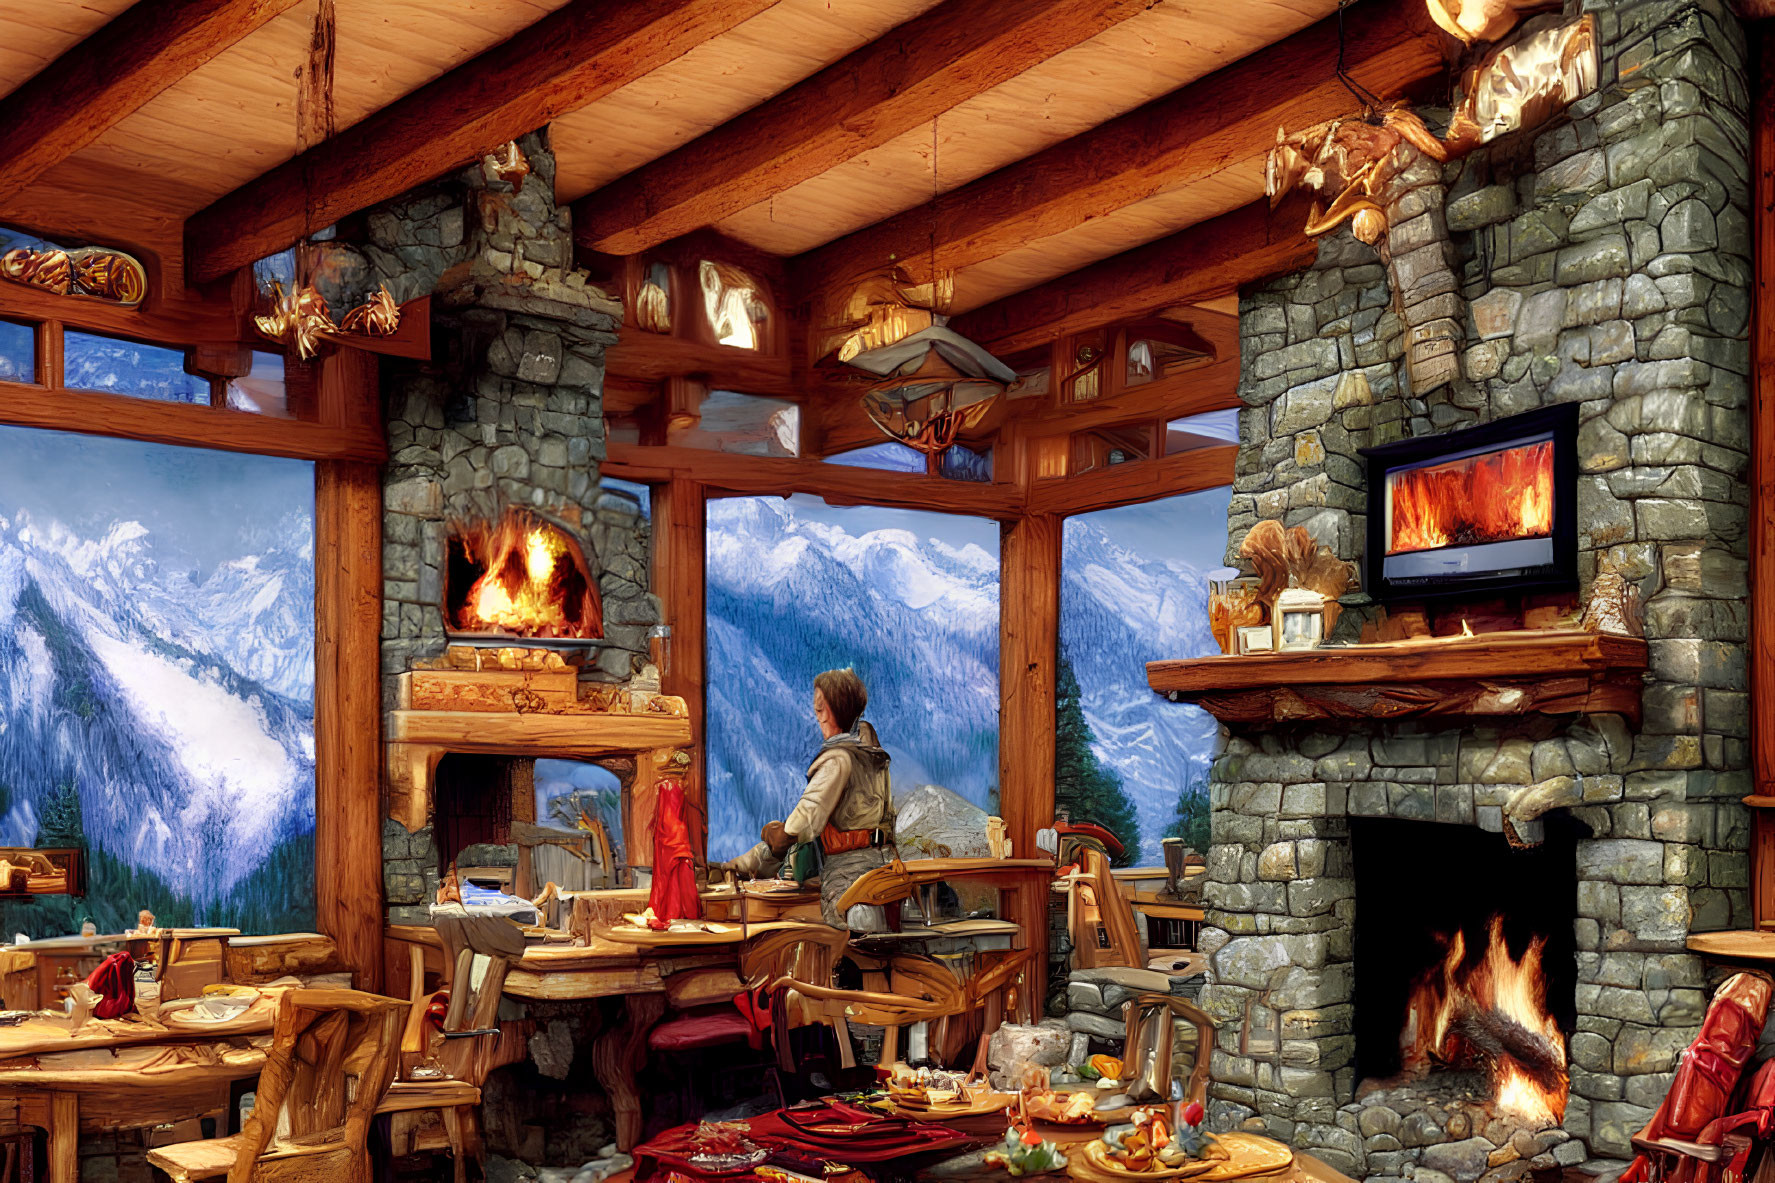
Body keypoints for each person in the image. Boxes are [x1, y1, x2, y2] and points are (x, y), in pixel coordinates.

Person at [726, 668, 894, 927]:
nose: (818, 718)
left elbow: (801, 824)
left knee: (846, 944)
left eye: (820, 709)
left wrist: (772, 835)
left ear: (832, 710)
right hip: (883, 866)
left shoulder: (838, 760)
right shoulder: (872, 758)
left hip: (849, 871)